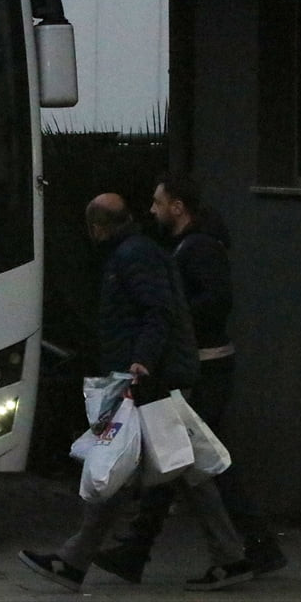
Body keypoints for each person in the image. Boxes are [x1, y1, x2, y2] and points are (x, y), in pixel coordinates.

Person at [18, 193, 255, 593]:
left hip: (147, 379)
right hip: (149, 377)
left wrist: (140, 362)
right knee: (172, 466)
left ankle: (74, 561)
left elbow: (157, 311)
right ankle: (230, 556)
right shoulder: (135, 252)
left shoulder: (132, 257)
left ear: (97, 227)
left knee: (119, 460)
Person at [91, 174, 286, 582]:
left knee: (199, 460)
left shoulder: (197, 248)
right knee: (184, 458)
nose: (152, 210)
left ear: (178, 207)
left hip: (206, 366)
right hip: (202, 364)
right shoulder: (186, 247)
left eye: (158, 202)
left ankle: (251, 546)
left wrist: (178, 327)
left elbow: (215, 300)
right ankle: (141, 549)